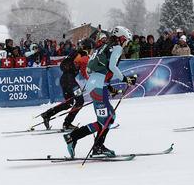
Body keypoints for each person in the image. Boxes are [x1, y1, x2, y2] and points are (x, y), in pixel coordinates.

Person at [63, 26, 137, 158]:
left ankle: (98, 146)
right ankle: (73, 137)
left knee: (110, 117)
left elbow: (102, 70)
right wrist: (125, 79)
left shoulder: (105, 46)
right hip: (97, 87)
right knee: (104, 120)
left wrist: (110, 88)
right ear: (120, 38)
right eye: (126, 40)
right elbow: (112, 66)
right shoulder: (117, 48)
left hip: (98, 85)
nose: (126, 44)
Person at [39, 48, 89, 131]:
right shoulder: (84, 56)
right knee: (80, 101)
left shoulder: (75, 54)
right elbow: (83, 71)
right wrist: (89, 78)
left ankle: (47, 114)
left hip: (64, 80)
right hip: (71, 81)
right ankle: (67, 123)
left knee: (68, 103)